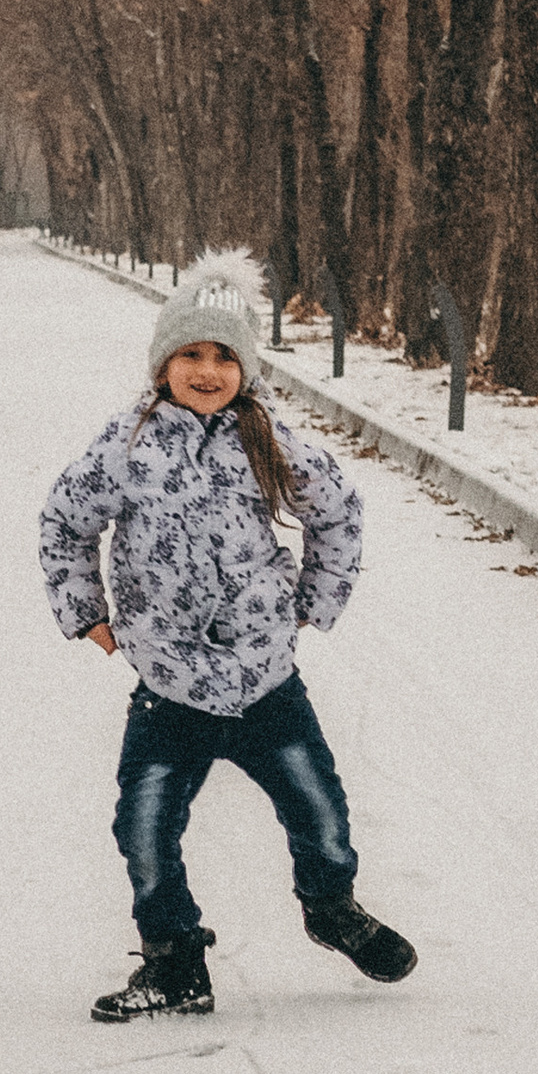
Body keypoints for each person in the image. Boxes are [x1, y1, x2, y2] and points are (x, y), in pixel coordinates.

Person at [40, 253, 419, 1023]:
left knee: (319, 811)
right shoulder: (126, 444)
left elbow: (338, 511)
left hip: (262, 678)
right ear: (162, 365)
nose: (207, 371)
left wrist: (314, 600)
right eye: (190, 355)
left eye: (223, 357)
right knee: (142, 828)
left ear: (245, 367)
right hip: (169, 684)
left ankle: (330, 904)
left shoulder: (268, 438)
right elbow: (64, 520)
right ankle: (174, 960)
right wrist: (90, 615)